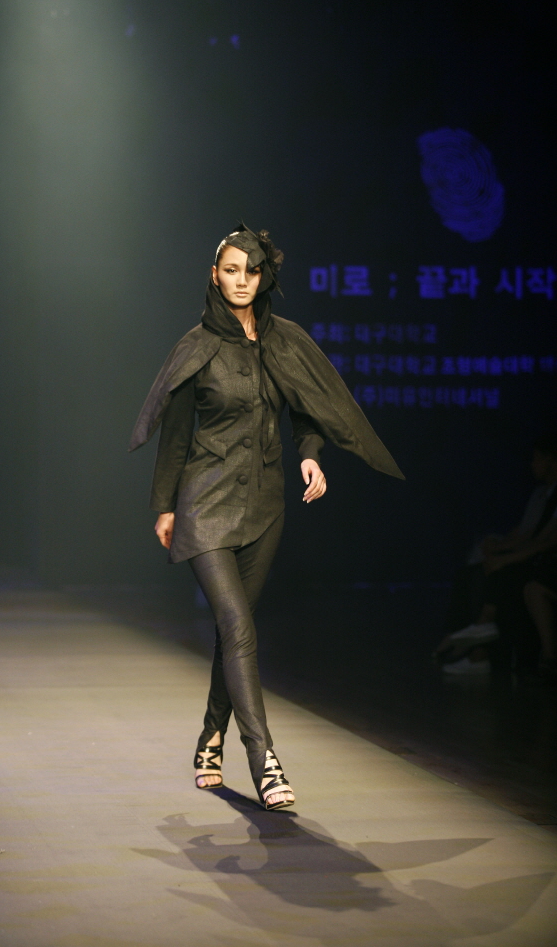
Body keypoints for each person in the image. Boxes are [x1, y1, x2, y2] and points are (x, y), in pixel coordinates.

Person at [129, 224, 403, 809]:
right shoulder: (196, 346)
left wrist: (310, 455)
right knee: (236, 625)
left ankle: (210, 735)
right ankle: (265, 759)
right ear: (214, 275)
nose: (241, 281)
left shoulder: (285, 342)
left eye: (251, 271)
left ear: (264, 277)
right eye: (231, 270)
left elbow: (307, 410)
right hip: (204, 502)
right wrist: (164, 506)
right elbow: (174, 434)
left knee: (237, 632)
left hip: (264, 505)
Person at [437, 432, 557, 675]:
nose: (532, 465)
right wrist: (500, 548)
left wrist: (505, 556)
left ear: (551, 460)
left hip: (545, 563)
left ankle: (480, 641)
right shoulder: (541, 495)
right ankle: (468, 639)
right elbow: (530, 534)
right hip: (538, 558)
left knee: (504, 576)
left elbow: (545, 541)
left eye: (536, 458)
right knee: (472, 574)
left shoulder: (550, 497)